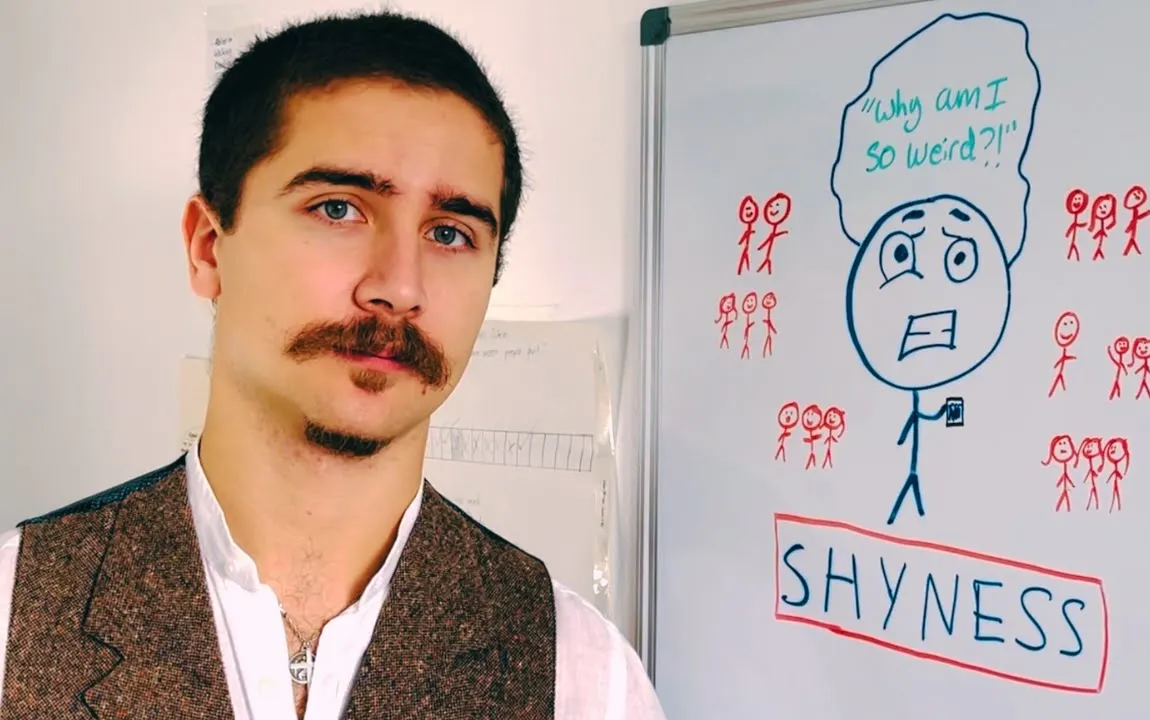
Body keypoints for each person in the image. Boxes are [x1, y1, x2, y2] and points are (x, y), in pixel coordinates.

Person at [0, 11, 665, 719]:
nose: (399, 287)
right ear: (208, 247)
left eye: (449, 233)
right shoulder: (15, 612)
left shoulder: (583, 678)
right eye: (339, 209)